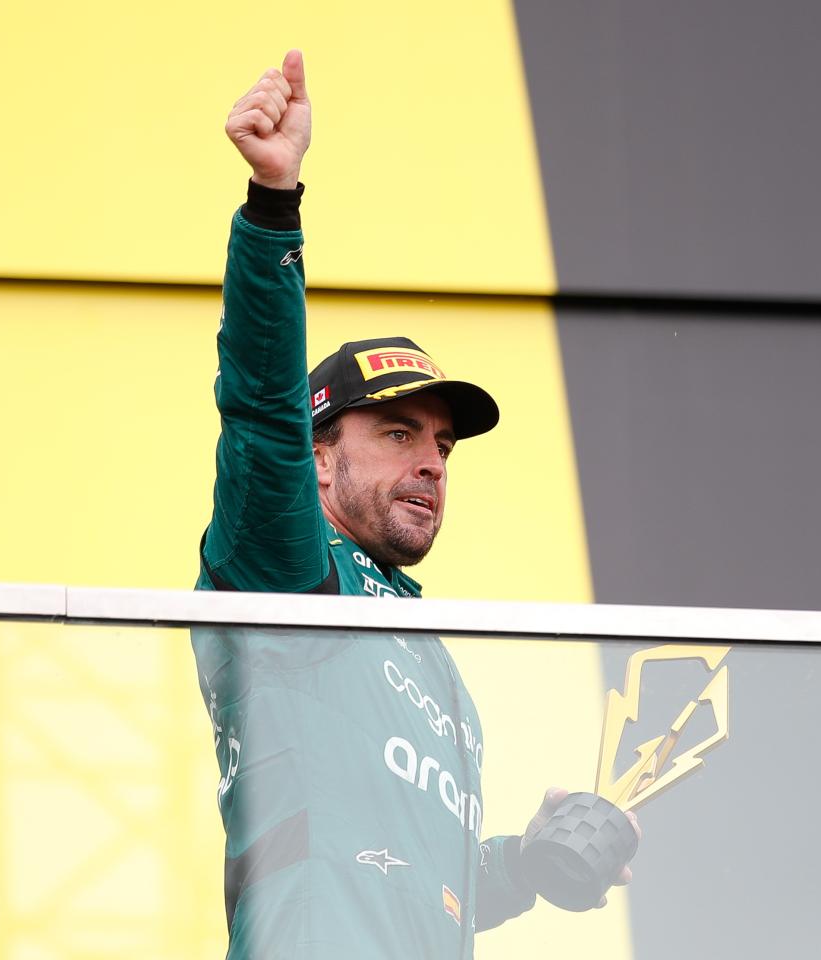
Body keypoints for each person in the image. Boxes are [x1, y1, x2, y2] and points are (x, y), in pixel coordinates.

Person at [190, 50, 636, 958]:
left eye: (441, 445)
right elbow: (260, 412)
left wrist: (527, 862)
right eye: (397, 434)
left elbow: (406, 875)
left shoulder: (431, 666)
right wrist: (274, 209)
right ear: (317, 462)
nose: (432, 462)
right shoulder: (287, 573)